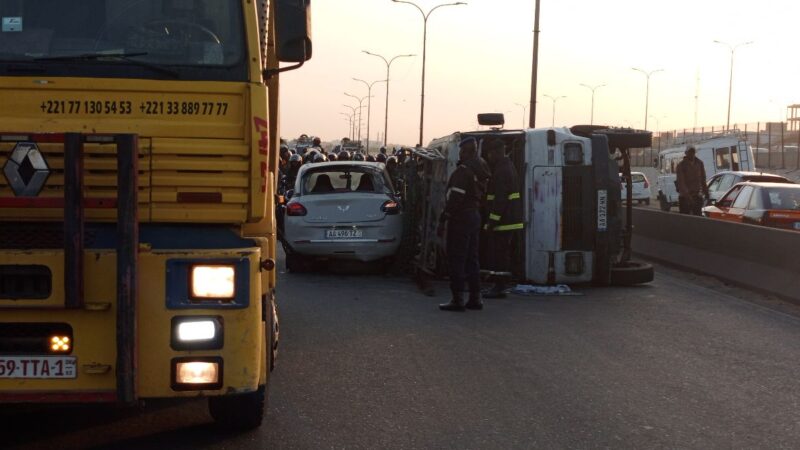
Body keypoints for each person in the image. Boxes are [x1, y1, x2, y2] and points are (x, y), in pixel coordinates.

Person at [438, 137, 491, 312]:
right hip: (474, 216)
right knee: (472, 259)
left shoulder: (464, 171)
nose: (460, 154)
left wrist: (446, 215)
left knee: (457, 258)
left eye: (462, 151)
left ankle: (458, 299)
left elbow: (456, 197)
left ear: (468, 151)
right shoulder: (481, 168)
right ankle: (476, 298)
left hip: (460, 218)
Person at [482, 139, 523, 298]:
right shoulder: (508, 166)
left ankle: (499, 287)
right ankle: (499, 285)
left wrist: (492, 221)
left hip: (503, 222)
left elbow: (500, 199)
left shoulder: (501, 171)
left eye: (490, 154)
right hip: (508, 221)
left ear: (497, 152)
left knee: (499, 255)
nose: (489, 157)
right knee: (502, 254)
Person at [675, 146, 708, 215]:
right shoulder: (681, 165)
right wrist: (688, 197)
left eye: (693, 152)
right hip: (685, 198)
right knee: (685, 219)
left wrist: (706, 192)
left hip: (697, 196)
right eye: (690, 152)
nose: (691, 154)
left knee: (697, 218)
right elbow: (681, 183)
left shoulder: (699, 163)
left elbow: (703, 179)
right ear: (686, 153)